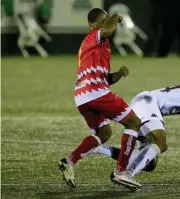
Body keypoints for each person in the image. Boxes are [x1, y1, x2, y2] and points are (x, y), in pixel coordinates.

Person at [58, 8, 142, 189]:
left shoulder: (100, 45)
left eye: (106, 20)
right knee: (134, 122)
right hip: (95, 93)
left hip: (83, 97)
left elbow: (104, 79)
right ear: (92, 25)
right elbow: (108, 29)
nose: (105, 24)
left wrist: (118, 74)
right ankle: (121, 172)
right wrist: (115, 17)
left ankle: (69, 161)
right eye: (101, 21)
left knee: (104, 133)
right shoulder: (93, 36)